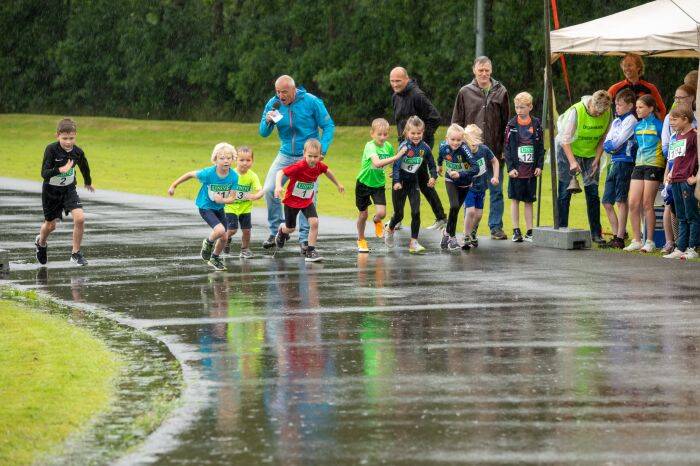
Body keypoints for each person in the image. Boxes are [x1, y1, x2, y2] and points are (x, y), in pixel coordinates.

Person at [259, 75, 335, 254]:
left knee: (307, 197)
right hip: (285, 154)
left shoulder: (311, 102)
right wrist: (268, 121)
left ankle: (304, 240)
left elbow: (328, 125)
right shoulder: (274, 104)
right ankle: (276, 231)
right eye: (277, 92)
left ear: (294, 90)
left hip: (307, 158)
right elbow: (263, 133)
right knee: (270, 189)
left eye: (284, 92)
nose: (280, 96)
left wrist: (321, 151)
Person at [451, 56, 510, 240]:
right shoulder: (464, 92)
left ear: (491, 70)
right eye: (480, 70)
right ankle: (470, 230)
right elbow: (456, 122)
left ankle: (496, 227)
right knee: (470, 190)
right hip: (470, 152)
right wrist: (456, 147)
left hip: (494, 149)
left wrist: (504, 149)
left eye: (487, 70)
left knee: (496, 189)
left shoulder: (501, 91)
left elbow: (506, 123)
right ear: (474, 70)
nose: (484, 73)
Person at [389, 66, 447, 230]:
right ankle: (440, 217)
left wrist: (422, 141)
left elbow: (435, 118)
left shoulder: (417, 95)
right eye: (392, 81)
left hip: (420, 146)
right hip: (404, 146)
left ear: (406, 79)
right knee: (413, 180)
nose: (395, 84)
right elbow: (400, 121)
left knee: (412, 179)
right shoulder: (396, 96)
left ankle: (399, 219)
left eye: (398, 81)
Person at [168, 143, 238, 271]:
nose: (225, 160)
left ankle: (214, 258)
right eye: (222, 158)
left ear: (233, 159)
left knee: (224, 237)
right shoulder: (208, 173)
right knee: (220, 230)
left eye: (228, 157)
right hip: (205, 206)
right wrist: (173, 186)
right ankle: (208, 243)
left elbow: (232, 198)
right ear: (215, 160)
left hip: (219, 207)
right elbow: (189, 174)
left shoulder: (234, 176)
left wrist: (222, 200)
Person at [34, 118, 94, 266]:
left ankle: (75, 254)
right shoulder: (51, 149)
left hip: (68, 190)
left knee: (80, 218)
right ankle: (41, 243)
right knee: (50, 226)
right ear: (57, 136)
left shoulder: (77, 152)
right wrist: (60, 170)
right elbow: (44, 173)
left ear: (76, 136)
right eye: (64, 138)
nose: (68, 142)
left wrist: (88, 181)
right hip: (51, 192)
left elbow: (84, 166)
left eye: (71, 138)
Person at [274, 139, 344, 262]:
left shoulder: (319, 166)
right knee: (291, 228)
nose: (312, 159)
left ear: (320, 156)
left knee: (314, 222)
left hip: (306, 201)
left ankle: (311, 251)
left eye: (315, 157)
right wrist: (278, 186)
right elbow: (280, 172)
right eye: (309, 156)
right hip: (292, 201)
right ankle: (282, 230)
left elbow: (328, 171)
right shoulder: (299, 166)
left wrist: (338, 184)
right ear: (304, 154)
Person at [555, 90, 612, 243]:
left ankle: (596, 233)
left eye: (602, 113)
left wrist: (598, 157)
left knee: (593, 192)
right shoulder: (576, 111)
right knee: (565, 191)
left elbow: (603, 138)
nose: (598, 116)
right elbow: (564, 140)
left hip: (590, 153)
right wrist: (572, 162)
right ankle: (561, 230)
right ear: (592, 103)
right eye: (596, 112)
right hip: (567, 149)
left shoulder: (607, 113)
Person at [384, 116, 437, 253]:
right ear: (407, 132)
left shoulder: (424, 147)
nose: (416, 136)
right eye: (413, 133)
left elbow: (431, 164)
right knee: (399, 214)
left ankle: (414, 242)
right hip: (400, 183)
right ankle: (389, 229)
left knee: (416, 212)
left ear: (423, 132)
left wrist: (433, 177)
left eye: (419, 133)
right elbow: (396, 166)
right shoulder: (404, 147)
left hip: (413, 183)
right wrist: (396, 182)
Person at [355, 118, 403, 253]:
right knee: (363, 214)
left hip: (378, 184)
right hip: (363, 183)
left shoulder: (388, 146)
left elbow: (393, 164)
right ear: (372, 134)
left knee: (382, 213)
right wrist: (397, 156)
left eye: (385, 134)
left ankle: (376, 220)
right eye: (379, 134)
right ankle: (361, 239)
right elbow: (377, 163)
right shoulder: (369, 146)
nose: (382, 137)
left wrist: (395, 173)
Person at [624, 95, 665, 253]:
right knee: (633, 203)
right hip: (639, 165)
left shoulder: (659, 126)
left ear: (651, 108)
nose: (637, 110)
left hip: (654, 165)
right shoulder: (637, 126)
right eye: (637, 107)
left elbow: (666, 145)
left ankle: (650, 241)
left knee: (648, 204)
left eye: (641, 107)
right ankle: (636, 239)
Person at [660, 84, 697, 254]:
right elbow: (672, 159)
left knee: (691, 215)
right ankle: (680, 247)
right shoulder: (675, 137)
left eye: (674, 120)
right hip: (675, 180)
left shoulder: (695, 136)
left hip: (687, 180)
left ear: (685, 119)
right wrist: (668, 174)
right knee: (680, 216)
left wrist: (695, 178)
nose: (671, 123)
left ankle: (692, 247)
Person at [504, 92, 544, 243]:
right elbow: (507, 148)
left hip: (530, 171)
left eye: (522, 107)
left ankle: (529, 231)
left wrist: (539, 165)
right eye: (517, 107)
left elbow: (540, 147)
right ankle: (516, 230)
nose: (519, 110)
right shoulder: (511, 125)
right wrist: (510, 168)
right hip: (516, 171)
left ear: (530, 107)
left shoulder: (536, 124)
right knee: (515, 199)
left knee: (529, 201)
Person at [601, 89, 638, 249]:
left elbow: (618, 141)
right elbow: (607, 142)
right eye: (616, 104)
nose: (617, 107)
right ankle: (616, 234)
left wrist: (613, 145)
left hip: (625, 162)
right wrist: (612, 146)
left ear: (630, 106)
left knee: (621, 200)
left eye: (620, 105)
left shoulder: (631, 120)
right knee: (607, 201)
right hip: (614, 162)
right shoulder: (616, 121)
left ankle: (620, 237)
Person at [437, 124, 479, 250]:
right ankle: (452, 238)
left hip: (465, 182)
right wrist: (439, 165)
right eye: (452, 140)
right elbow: (440, 156)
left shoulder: (464, 149)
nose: (455, 143)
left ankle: (446, 233)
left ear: (462, 139)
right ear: (446, 138)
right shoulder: (443, 146)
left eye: (459, 140)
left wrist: (460, 174)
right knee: (454, 206)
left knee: (455, 210)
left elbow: (475, 168)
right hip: (450, 180)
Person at [462, 124, 499, 249]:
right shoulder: (462, 151)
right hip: (468, 187)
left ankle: (473, 232)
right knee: (470, 211)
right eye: (468, 140)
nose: (472, 144)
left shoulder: (484, 150)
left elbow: (495, 161)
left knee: (478, 214)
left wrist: (495, 176)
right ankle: (466, 235)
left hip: (482, 187)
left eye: (475, 140)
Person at [224, 146, 264, 258]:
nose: (245, 163)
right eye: (241, 160)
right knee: (232, 230)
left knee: (247, 230)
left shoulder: (253, 176)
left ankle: (245, 249)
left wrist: (256, 196)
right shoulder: (230, 174)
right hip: (230, 207)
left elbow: (260, 190)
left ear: (252, 161)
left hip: (245, 207)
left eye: (248, 160)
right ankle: (225, 239)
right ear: (236, 160)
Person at [608, 53, 666, 120]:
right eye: (624, 66)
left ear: (638, 67)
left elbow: (661, 110)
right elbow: (603, 107)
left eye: (629, 65)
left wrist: (657, 125)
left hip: (643, 128)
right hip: (623, 129)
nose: (626, 68)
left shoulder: (650, 88)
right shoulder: (615, 88)